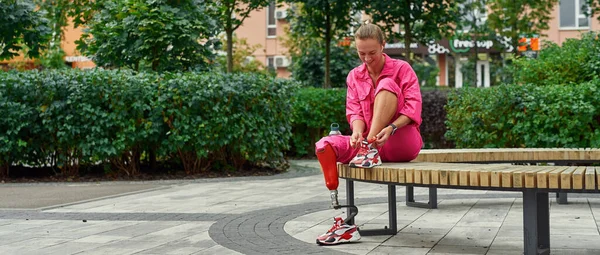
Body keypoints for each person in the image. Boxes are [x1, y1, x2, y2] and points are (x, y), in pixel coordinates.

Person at [315, 23, 423, 245]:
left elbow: (413, 107)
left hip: (400, 140)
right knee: (325, 144)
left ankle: (368, 149)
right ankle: (342, 218)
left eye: (372, 53)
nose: (367, 59)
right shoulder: (354, 76)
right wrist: (356, 131)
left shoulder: (402, 69)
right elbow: (354, 110)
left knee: (386, 84)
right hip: (369, 149)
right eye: (361, 53)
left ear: (383, 45)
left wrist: (391, 128)